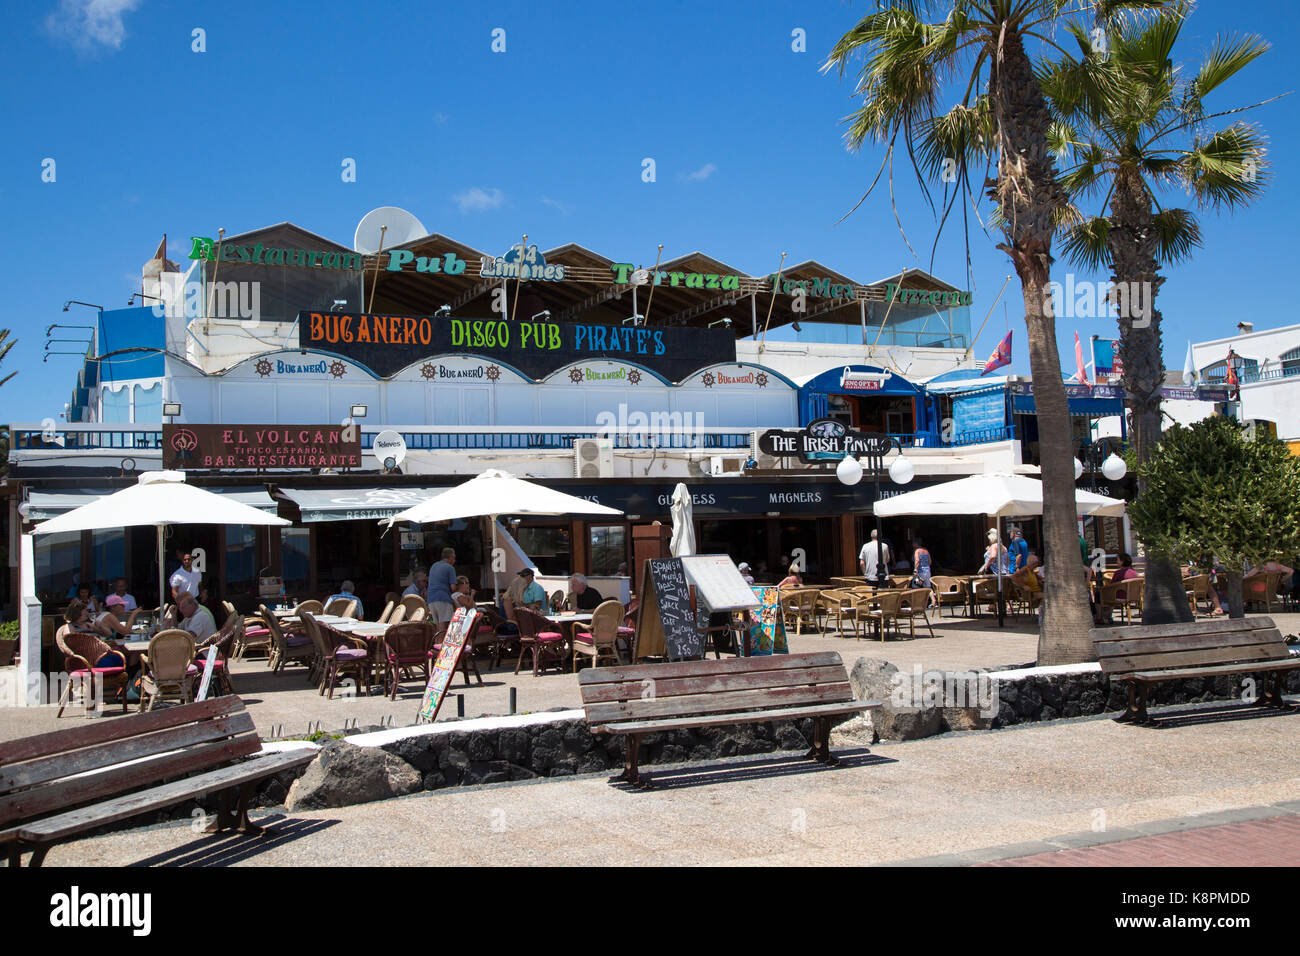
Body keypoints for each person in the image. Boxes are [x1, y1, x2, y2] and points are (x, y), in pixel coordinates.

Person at [426, 548, 458, 625]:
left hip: (431, 600)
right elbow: (453, 587)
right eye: (454, 558)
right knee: (444, 625)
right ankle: (442, 637)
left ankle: (438, 637)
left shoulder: (434, 566)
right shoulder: (450, 568)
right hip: (443, 598)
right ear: (450, 557)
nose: (454, 560)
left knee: (437, 626)